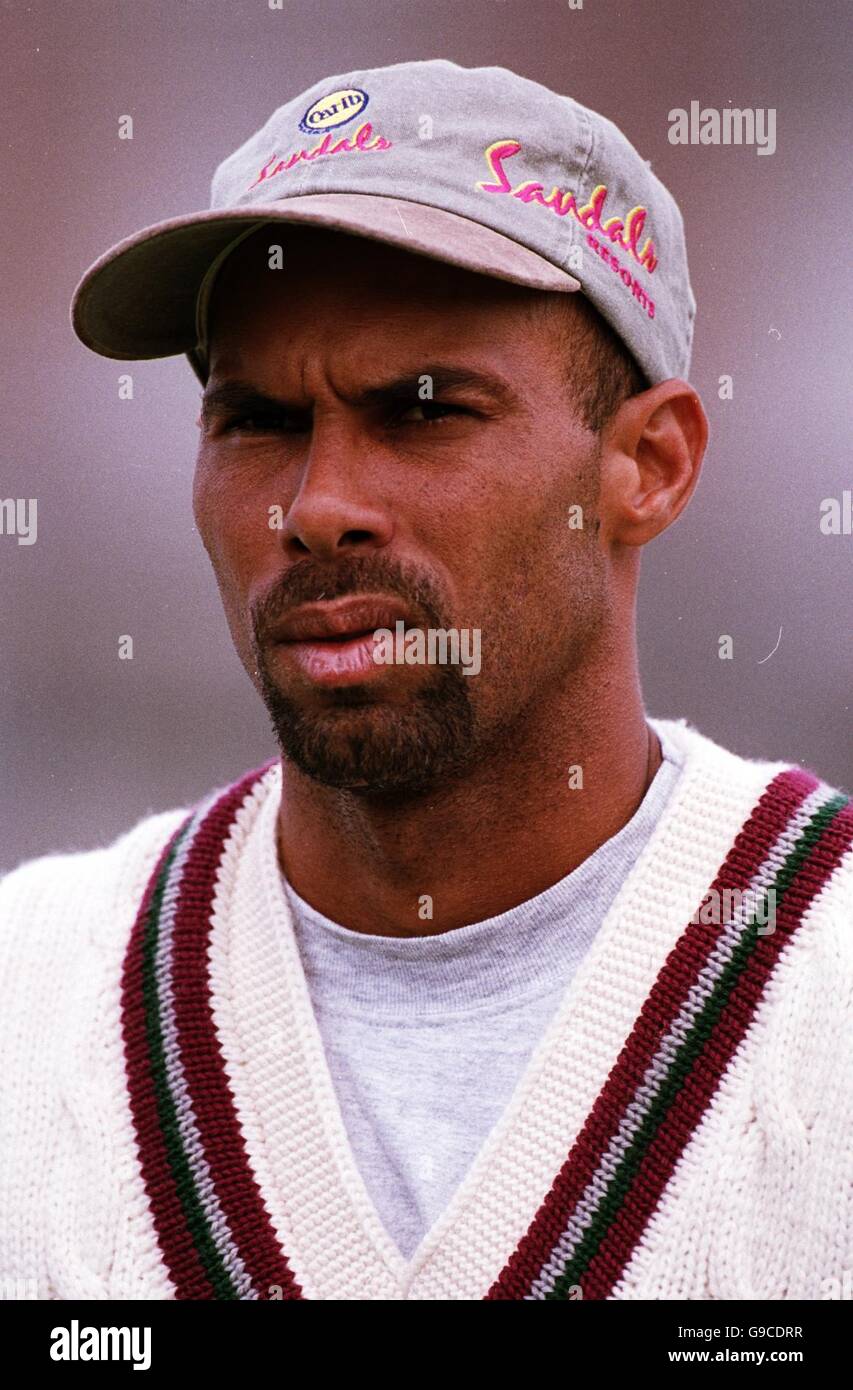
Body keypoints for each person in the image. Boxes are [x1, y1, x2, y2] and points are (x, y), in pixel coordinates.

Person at [1, 59, 850, 1302]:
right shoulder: (30, 996)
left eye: (423, 410)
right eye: (258, 421)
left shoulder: (821, 980)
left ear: (648, 467)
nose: (318, 506)